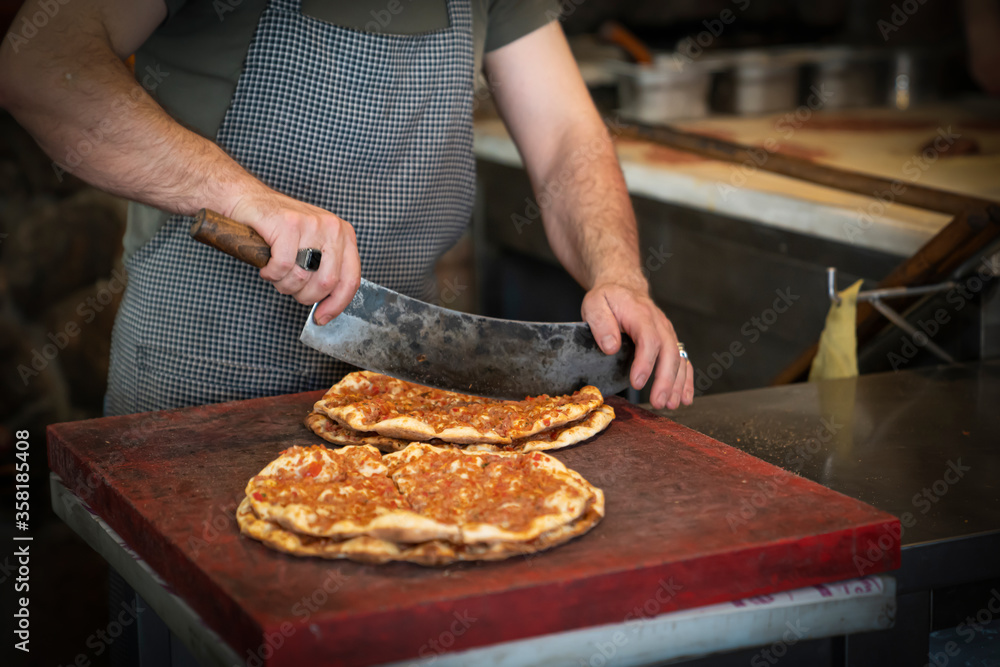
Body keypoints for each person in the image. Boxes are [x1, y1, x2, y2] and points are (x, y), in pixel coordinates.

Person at [0, 0, 694, 417]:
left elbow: (567, 138)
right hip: (196, 386)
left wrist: (620, 275)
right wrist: (244, 198)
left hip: (396, 383)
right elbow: (39, 66)